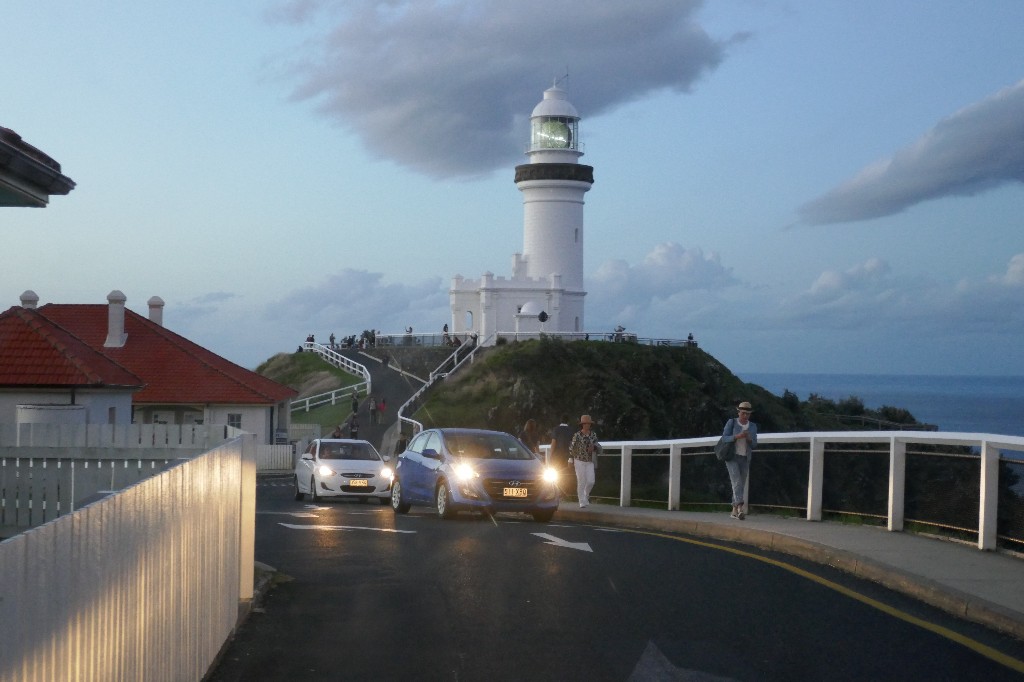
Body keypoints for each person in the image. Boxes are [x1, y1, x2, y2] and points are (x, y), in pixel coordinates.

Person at [722, 401, 758, 520]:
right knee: (736, 481)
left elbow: (754, 444)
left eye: (748, 414)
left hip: (745, 457)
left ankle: (734, 511)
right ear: (738, 412)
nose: (745, 416)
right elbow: (724, 438)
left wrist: (748, 438)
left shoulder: (752, 426)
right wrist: (737, 436)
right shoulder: (731, 422)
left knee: (741, 483)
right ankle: (739, 508)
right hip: (732, 456)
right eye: (743, 413)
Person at [568, 414, 602, 508]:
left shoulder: (593, 434)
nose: (587, 425)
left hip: (590, 461)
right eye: (585, 423)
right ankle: (581, 501)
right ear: (582, 424)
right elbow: (572, 448)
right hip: (579, 460)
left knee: (591, 481)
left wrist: (594, 447)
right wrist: (570, 460)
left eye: (589, 423)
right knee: (581, 481)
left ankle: (585, 495)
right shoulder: (577, 435)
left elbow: (597, 445)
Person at [548, 415, 573, 492]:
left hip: (557, 456)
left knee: (556, 473)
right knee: (565, 474)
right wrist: (571, 457)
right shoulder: (571, 430)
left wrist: (550, 455)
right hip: (567, 455)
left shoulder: (556, 429)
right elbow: (572, 445)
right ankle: (564, 490)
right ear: (568, 421)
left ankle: (556, 490)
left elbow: (553, 443)